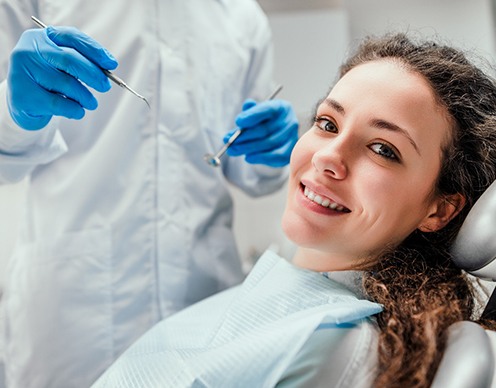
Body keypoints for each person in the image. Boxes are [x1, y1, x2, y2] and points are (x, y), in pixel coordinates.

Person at [91, 32, 496, 388]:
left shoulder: (327, 344)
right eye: (327, 124)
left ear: (440, 210)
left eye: (382, 149)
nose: (328, 158)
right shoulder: (287, 302)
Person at [0, 1, 299, 387]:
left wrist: (270, 150)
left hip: (205, 301)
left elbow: (251, 172)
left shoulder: (243, 16)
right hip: (72, 321)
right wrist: (12, 108)